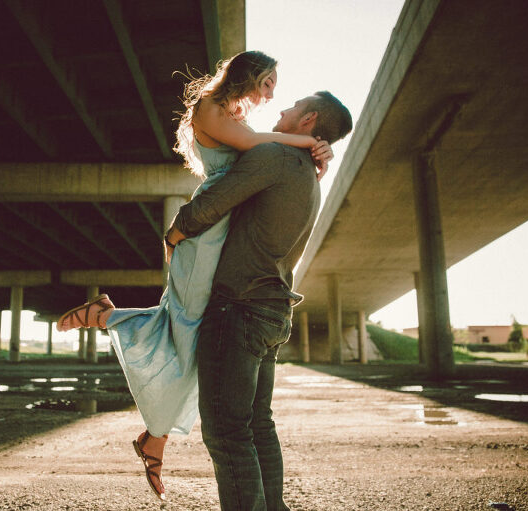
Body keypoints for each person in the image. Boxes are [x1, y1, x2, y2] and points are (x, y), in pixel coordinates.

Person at [56, 51, 333, 500]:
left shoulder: (271, 149)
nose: (276, 100)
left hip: (224, 246)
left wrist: (313, 144)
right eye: (268, 84)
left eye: (288, 100)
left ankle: (116, 338)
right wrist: (312, 143)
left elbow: (254, 152)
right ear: (250, 75)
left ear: (310, 119)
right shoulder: (223, 116)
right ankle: (146, 411)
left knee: (191, 340)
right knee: (187, 329)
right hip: (217, 241)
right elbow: (251, 149)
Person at [164, 91, 353, 510]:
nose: (282, 109)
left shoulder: (274, 156)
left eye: (294, 106)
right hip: (272, 311)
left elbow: (213, 203)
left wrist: (175, 233)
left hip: (239, 307)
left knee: (227, 431)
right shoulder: (308, 173)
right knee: (256, 425)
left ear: (309, 120)